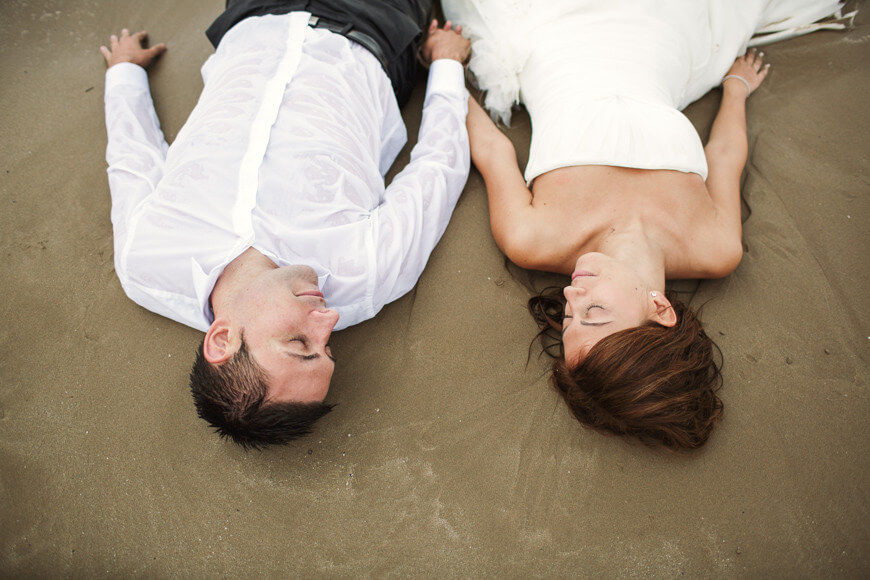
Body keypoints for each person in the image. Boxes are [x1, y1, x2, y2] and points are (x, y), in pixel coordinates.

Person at [443, 0, 851, 450]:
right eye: (594, 312)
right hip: (659, 44)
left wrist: (444, 68)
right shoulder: (715, 247)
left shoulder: (531, 239)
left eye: (570, 317)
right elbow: (725, 159)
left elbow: (492, 151)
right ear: (661, 310)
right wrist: (734, 90)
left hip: (554, 38)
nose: (572, 295)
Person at [100, 0, 471, 448]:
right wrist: (447, 64)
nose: (329, 318)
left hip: (256, 18)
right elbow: (438, 167)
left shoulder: (145, 261)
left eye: (298, 341)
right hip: (369, 25)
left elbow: (131, 158)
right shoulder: (368, 275)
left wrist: (124, 74)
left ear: (221, 339)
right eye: (326, 347)